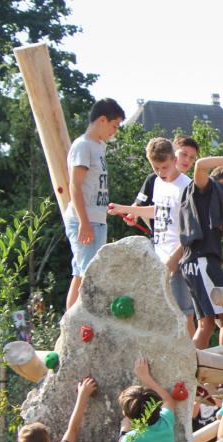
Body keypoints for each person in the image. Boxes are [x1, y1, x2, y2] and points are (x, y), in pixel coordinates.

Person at [110, 137, 195, 336]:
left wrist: (174, 259)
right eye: (155, 168)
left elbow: (192, 230)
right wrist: (125, 208)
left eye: (164, 167)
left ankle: (191, 353)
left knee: (183, 314)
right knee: (164, 314)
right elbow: (158, 210)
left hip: (180, 259)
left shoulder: (187, 186)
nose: (160, 172)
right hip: (160, 256)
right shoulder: (157, 182)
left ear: (174, 160)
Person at [176, 150, 223, 349]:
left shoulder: (217, 205)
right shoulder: (205, 189)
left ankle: (193, 367)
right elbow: (200, 165)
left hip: (194, 262)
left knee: (207, 323)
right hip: (202, 260)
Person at [64, 98, 124, 310]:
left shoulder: (99, 146)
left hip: (97, 219)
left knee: (82, 273)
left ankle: (72, 323)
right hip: (85, 220)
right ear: (102, 120)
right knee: (88, 275)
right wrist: (84, 222)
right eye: (114, 126)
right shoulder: (83, 146)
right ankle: (77, 322)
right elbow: (75, 186)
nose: (114, 131)